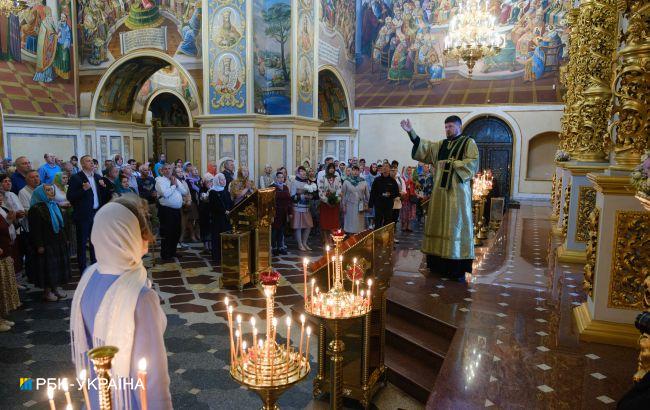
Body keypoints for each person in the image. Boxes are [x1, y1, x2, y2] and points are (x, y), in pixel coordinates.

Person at [70, 197, 172, 410]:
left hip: (98, 393)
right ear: (128, 236)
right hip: (129, 399)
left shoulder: (90, 276)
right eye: (141, 233)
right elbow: (152, 377)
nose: (147, 242)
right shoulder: (140, 296)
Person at [401, 116, 479, 280]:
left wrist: (451, 164)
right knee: (438, 222)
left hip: (456, 195)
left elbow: (472, 163)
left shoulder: (468, 143)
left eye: (450, 126)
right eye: (446, 127)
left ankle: (455, 266)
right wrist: (411, 133)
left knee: (454, 225)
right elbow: (425, 147)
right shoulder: (440, 145)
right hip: (439, 194)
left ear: (459, 127)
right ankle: (437, 264)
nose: (447, 129)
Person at [28, 184, 70, 301]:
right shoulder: (36, 209)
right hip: (46, 243)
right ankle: (47, 292)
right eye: (47, 190)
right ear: (40, 193)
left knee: (57, 267)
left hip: (58, 240)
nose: (51, 192)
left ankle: (55, 289)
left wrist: (66, 238)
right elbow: (36, 229)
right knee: (48, 268)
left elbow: (61, 225)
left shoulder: (54, 205)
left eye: (51, 190)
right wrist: (39, 245)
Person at [67, 155, 107, 274]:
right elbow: (70, 197)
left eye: (92, 161)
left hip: (96, 213)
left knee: (95, 241)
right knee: (82, 242)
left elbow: (104, 195)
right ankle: (83, 268)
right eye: (88, 161)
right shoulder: (76, 178)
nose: (92, 163)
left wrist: (103, 187)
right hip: (83, 215)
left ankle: (95, 265)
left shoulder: (98, 177)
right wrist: (83, 190)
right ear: (82, 164)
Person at [156, 163, 188, 260]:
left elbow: (184, 192)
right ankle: (165, 254)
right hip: (166, 211)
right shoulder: (159, 181)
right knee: (167, 232)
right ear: (162, 171)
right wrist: (173, 186)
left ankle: (172, 251)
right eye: (165, 169)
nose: (168, 170)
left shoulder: (175, 179)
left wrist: (176, 184)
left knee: (176, 231)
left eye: (169, 168)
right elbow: (165, 194)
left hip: (176, 210)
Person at [0, 190, 20, 331]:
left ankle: (1, 317)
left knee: (3, 288)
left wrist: (9, 221)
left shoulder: (2, 209)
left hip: (4, 252)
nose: (1, 198)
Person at [209, 173, 233, 262]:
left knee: (226, 237)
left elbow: (230, 203)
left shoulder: (226, 191)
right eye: (221, 179)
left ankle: (226, 255)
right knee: (217, 238)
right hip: (217, 219)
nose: (224, 181)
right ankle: (217, 257)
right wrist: (224, 211)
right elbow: (214, 206)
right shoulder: (213, 192)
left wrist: (230, 210)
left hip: (226, 219)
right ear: (217, 181)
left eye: (224, 179)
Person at [291, 166, 315, 251]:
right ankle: (300, 244)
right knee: (299, 226)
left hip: (306, 207)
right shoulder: (294, 182)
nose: (303, 172)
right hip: (298, 207)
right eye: (301, 171)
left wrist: (311, 196)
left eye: (304, 171)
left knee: (308, 226)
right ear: (297, 173)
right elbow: (292, 196)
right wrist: (302, 196)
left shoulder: (308, 182)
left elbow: (312, 192)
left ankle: (305, 242)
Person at [318, 163, 342, 246]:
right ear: (327, 169)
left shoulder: (337, 178)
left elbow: (339, 189)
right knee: (325, 223)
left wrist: (336, 199)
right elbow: (320, 190)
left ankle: (332, 240)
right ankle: (326, 240)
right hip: (325, 204)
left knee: (334, 223)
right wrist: (327, 200)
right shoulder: (323, 178)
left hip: (335, 204)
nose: (331, 169)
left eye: (333, 168)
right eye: (330, 168)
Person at [369, 163, 399, 229]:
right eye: (384, 166)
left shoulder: (393, 181)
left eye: (387, 166)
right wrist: (370, 205)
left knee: (387, 223)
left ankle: (386, 238)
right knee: (378, 223)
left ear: (389, 169)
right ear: (382, 169)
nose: (385, 168)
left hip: (388, 205)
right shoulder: (377, 180)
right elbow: (372, 193)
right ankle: (377, 238)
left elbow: (397, 193)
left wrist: (390, 194)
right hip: (378, 205)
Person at [341, 165, 369, 234]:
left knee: (359, 223)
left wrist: (368, 204)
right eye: (354, 170)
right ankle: (350, 238)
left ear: (359, 171)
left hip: (360, 206)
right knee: (350, 222)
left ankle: (358, 238)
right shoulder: (346, 181)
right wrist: (343, 205)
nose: (355, 172)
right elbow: (343, 194)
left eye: (357, 170)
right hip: (350, 205)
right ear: (351, 171)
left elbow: (367, 195)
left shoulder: (363, 182)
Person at [271, 171, 293, 256]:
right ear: (276, 178)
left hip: (284, 213)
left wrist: (290, 212)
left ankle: (280, 247)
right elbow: (270, 202)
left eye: (282, 177)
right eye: (279, 177)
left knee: (281, 231)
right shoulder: (272, 187)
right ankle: (273, 247)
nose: (281, 179)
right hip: (276, 213)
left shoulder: (286, 187)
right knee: (274, 231)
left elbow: (289, 201)